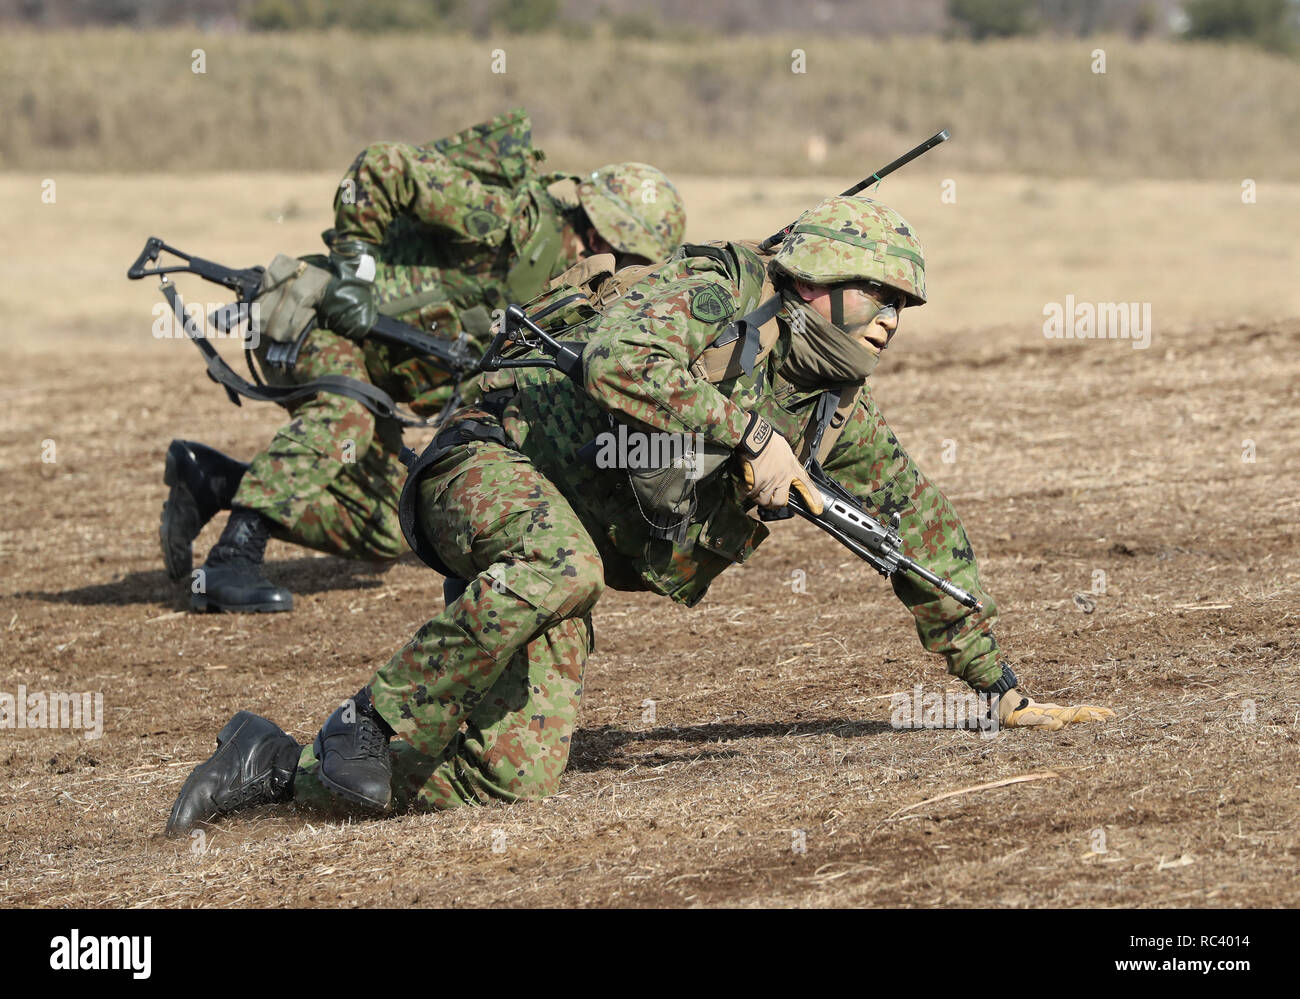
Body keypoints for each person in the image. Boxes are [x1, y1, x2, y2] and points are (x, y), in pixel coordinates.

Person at [165, 195, 1113, 835]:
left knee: (511, 782)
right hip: (485, 460)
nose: (891, 320)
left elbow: (918, 533)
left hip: (553, 540)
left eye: (904, 304)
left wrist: (1000, 686)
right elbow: (622, 360)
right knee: (561, 564)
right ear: (817, 279)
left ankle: (273, 764)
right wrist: (746, 436)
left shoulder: (835, 416)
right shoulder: (711, 294)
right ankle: (367, 718)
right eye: (878, 293)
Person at [159, 109, 687, 614]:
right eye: (633, 261)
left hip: (380, 368)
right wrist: (354, 274)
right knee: (347, 412)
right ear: (599, 235)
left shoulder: (567, 295)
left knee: (392, 519)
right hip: (320, 321)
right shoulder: (514, 225)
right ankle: (232, 559)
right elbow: (382, 165)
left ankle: (215, 481)